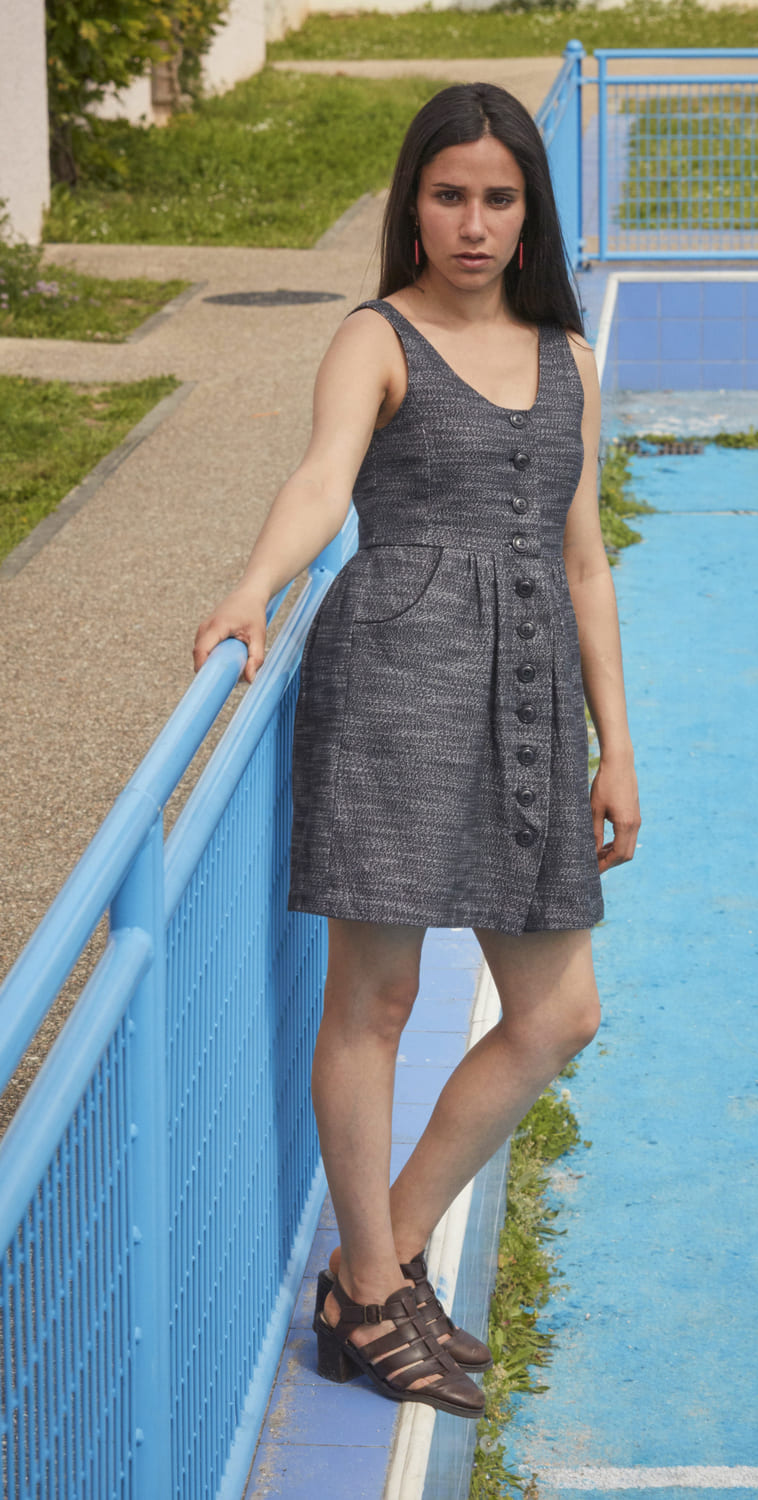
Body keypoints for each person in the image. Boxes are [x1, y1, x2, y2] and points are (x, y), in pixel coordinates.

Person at [192, 82, 640, 1417]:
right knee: (373, 1005)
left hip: (527, 706)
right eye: (451, 195)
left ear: (530, 212)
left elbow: (584, 561)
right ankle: (378, 1287)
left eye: (500, 198)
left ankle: (368, 1270)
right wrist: (253, 587)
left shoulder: (569, 361)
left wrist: (618, 747)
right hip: (390, 689)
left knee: (560, 1013)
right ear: (414, 203)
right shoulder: (374, 338)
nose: (474, 223)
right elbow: (321, 480)